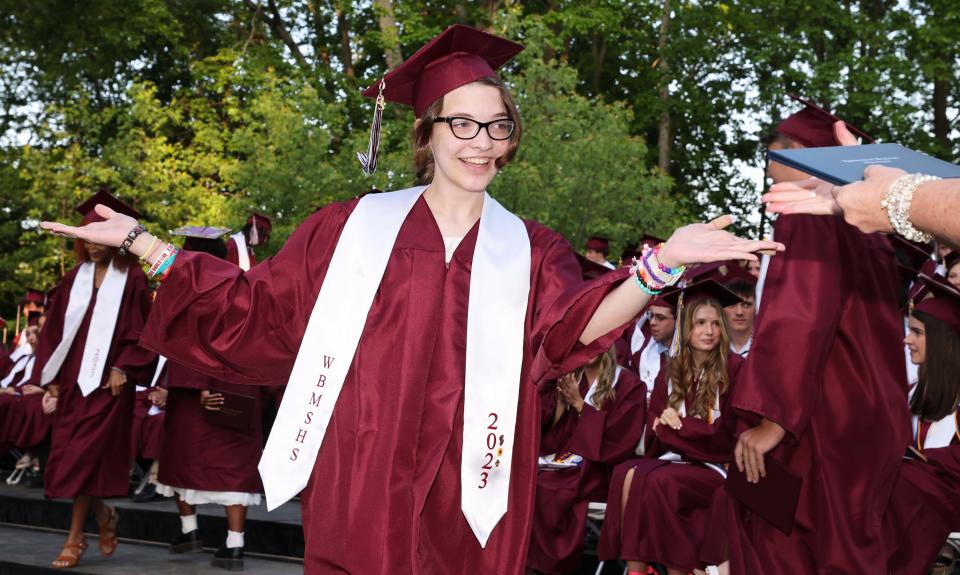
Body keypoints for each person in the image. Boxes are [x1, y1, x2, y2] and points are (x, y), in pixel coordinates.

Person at [40, 25, 780, 575]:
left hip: (477, 483)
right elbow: (251, 309)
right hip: (366, 471)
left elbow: (572, 326)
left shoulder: (532, 248)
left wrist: (660, 268)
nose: (481, 141)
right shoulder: (349, 229)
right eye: (462, 122)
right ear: (426, 133)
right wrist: (141, 241)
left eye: (497, 125)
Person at [727, 96, 909, 574]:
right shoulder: (870, 227)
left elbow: (802, 316)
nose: (770, 179)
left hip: (824, 412)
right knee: (849, 550)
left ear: (799, 154)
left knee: (795, 552)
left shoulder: (809, 213)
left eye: (774, 160)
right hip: (871, 413)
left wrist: (775, 418)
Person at [32, 189, 156, 569]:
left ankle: (74, 539)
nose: (93, 245)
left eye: (100, 237)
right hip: (73, 383)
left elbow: (143, 331)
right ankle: (104, 517)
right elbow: (53, 331)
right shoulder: (74, 278)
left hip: (108, 386)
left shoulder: (133, 280)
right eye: (86, 237)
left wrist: (123, 366)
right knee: (73, 457)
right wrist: (49, 376)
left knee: (84, 457)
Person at [598, 280, 744, 575]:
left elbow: (727, 433)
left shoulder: (735, 368)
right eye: (700, 323)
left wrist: (677, 428)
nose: (709, 331)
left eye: (716, 324)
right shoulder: (672, 367)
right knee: (626, 472)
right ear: (686, 326)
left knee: (657, 482)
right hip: (675, 460)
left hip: (717, 468)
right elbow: (655, 424)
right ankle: (638, 570)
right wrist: (666, 428)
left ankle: (678, 569)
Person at [154, 228, 269, 571]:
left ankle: (196, 533)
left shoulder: (192, 290)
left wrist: (199, 384)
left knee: (197, 460)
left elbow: (185, 339)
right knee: (212, 463)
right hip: (234, 389)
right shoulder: (243, 286)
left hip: (206, 390)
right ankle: (230, 543)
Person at [526, 345, 647, 574]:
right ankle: (527, 562)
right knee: (525, 482)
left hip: (602, 469)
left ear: (609, 343)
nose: (590, 349)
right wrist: (561, 405)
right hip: (565, 464)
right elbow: (551, 435)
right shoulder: (571, 377)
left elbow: (622, 441)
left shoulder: (629, 384)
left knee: (546, 488)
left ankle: (547, 567)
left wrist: (581, 405)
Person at [762, 122, 960, 249]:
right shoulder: (846, 206)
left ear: (797, 148)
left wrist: (894, 197)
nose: (769, 171)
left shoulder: (804, 220)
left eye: (774, 157)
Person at [883, 274, 960, 574]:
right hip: (912, 506)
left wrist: (924, 463)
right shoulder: (911, 390)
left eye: (916, 332)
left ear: (941, 340)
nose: (906, 340)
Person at [721, 268, 756, 357]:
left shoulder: (766, 345)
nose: (739, 312)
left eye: (746, 305)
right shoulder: (713, 348)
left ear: (756, 308)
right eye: (732, 305)